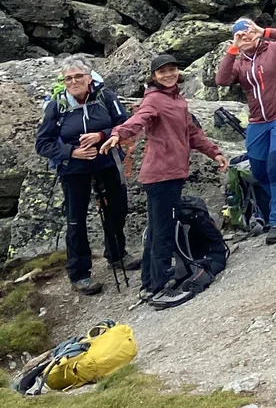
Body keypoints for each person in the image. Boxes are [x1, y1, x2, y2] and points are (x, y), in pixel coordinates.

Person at [105, 54, 228, 298]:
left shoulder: (178, 100)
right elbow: (138, 120)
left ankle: (149, 283)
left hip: (170, 175)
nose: (168, 75)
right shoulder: (154, 100)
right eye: (162, 72)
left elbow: (192, 133)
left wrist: (215, 153)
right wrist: (118, 134)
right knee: (163, 232)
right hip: (161, 176)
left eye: (172, 70)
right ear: (154, 76)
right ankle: (158, 286)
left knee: (156, 230)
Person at [34, 58, 132, 296]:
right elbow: (42, 143)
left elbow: (126, 124)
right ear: (64, 82)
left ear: (90, 78)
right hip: (73, 169)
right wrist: (72, 152)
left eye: (79, 76)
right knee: (76, 220)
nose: (74, 81)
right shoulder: (57, 106)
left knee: (117, 208)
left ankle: (117, 254)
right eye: (69, 78)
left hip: (107, 161)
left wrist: (101, 135)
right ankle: (79, 273)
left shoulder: (106, 97)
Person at [214, 18, 276, 244]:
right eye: (240, 35)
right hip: (258, 120)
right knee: (258, 169)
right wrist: (233, 49)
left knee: (275, 166)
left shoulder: (274, 48)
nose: (246, 37)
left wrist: (264, 32)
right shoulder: (240, 62)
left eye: (248, 33)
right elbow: (221, 79)